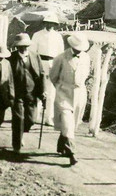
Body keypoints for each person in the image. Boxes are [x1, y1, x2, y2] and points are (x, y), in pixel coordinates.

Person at [48, 33, 91, 166]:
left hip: (79, 93)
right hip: (64, 92)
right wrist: (61, 87)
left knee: (73, 122)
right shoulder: (61, 58)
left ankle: (61, 145)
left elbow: (86, 74)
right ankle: (72, 152)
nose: (80, 51)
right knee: (66, 120)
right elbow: (53, 76)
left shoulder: (86, 57)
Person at [8, 33, 45, 154]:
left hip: (32, 93)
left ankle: (21, 132)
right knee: (18, 118)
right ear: (16, 47)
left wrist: (43, 91)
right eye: (20, 46)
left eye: (25, 46)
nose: (23, 48)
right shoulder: (11, 58)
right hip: (16, 93)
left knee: (31, 119)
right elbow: (7, 76)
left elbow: (42, 74)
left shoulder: (35, 56)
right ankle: (16, 146)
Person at [30, 11, 65, 128]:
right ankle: (34, 116)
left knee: (51, 93)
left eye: (53, 23)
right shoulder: (37, 35)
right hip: (40, 64)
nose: (50, 25)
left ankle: (49, 118)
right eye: (48, 23)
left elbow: (61, 54)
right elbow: (32, 52)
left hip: (54, 65)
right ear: (45, 23)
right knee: (39, 90)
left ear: (55, 25)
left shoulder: (58, 36)